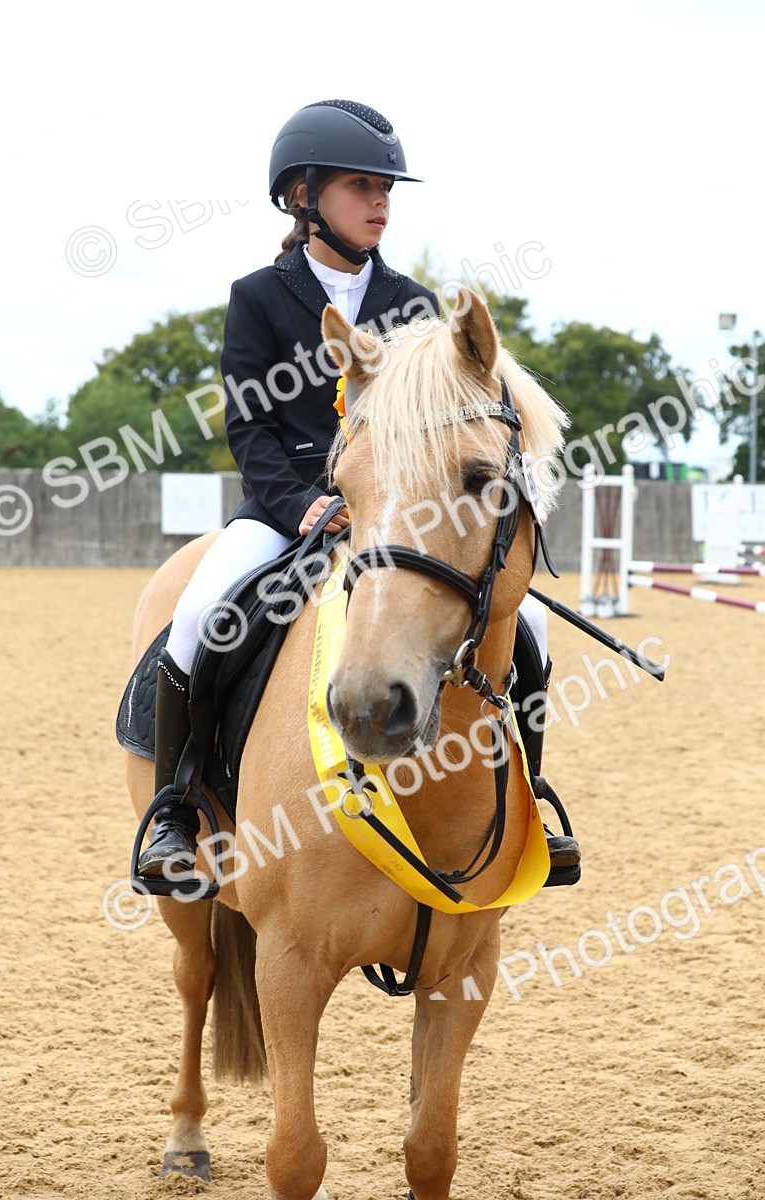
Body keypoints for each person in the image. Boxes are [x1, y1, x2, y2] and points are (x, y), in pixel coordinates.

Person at [137, 99, 580, 882]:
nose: (380, 203)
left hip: (398, 514)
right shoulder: (258, 298)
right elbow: (251, 430)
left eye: (386, 189)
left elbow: (440, 431)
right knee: (201, 615)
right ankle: (177, 804)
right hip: (287, 509)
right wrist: (302, 503)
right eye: (359, 186)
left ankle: (529, 789)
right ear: (303, 197)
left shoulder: (412, 302)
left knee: (533, 628)